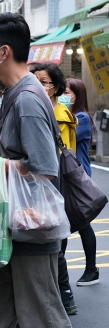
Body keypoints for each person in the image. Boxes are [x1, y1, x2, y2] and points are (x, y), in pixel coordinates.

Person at [0, 13, 71, 328]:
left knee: (42, 317)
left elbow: (44, 166)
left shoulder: (26, 98)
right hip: (10, 225)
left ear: (4, 53)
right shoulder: (16, 93)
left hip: (31, 229)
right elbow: (24, 155)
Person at [29, 62, 78, 314]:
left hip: (55, 184)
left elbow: (67, 154)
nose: (39, 85)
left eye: (45, 81)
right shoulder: (34, 107)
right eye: (35, 79)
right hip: (39, 185)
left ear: (56, 87)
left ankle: (65, 296)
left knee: (56, 244)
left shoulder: (60, 114)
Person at [65, 78, 98, 285]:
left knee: (83, 224)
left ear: (77, 95)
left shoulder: (81, 118)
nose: (63, 95)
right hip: (68, 175)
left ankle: (91, 270)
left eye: (67, 92)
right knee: (65, 224)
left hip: (78, 176)